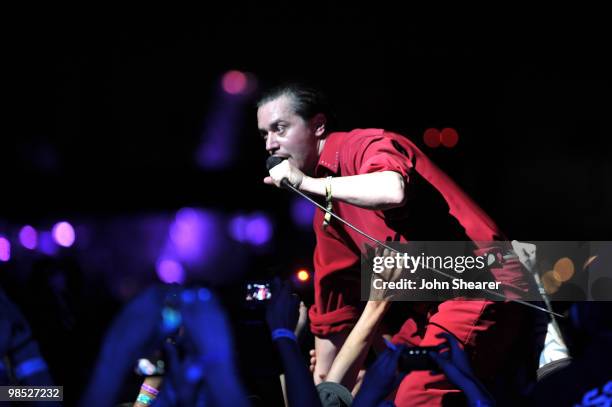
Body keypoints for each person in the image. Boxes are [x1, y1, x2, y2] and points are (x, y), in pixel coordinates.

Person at [258, 83, 533, 405]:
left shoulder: (361, 145)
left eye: (279, 128)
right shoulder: (325, 217)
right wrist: (321, 383)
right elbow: (335, 312)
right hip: (427, 312)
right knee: (380, 394)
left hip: (480, 282)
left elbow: (392, 191)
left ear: (318, 125)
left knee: (414, 396)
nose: (270, 144)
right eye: (264, 134)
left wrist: (308, 183)